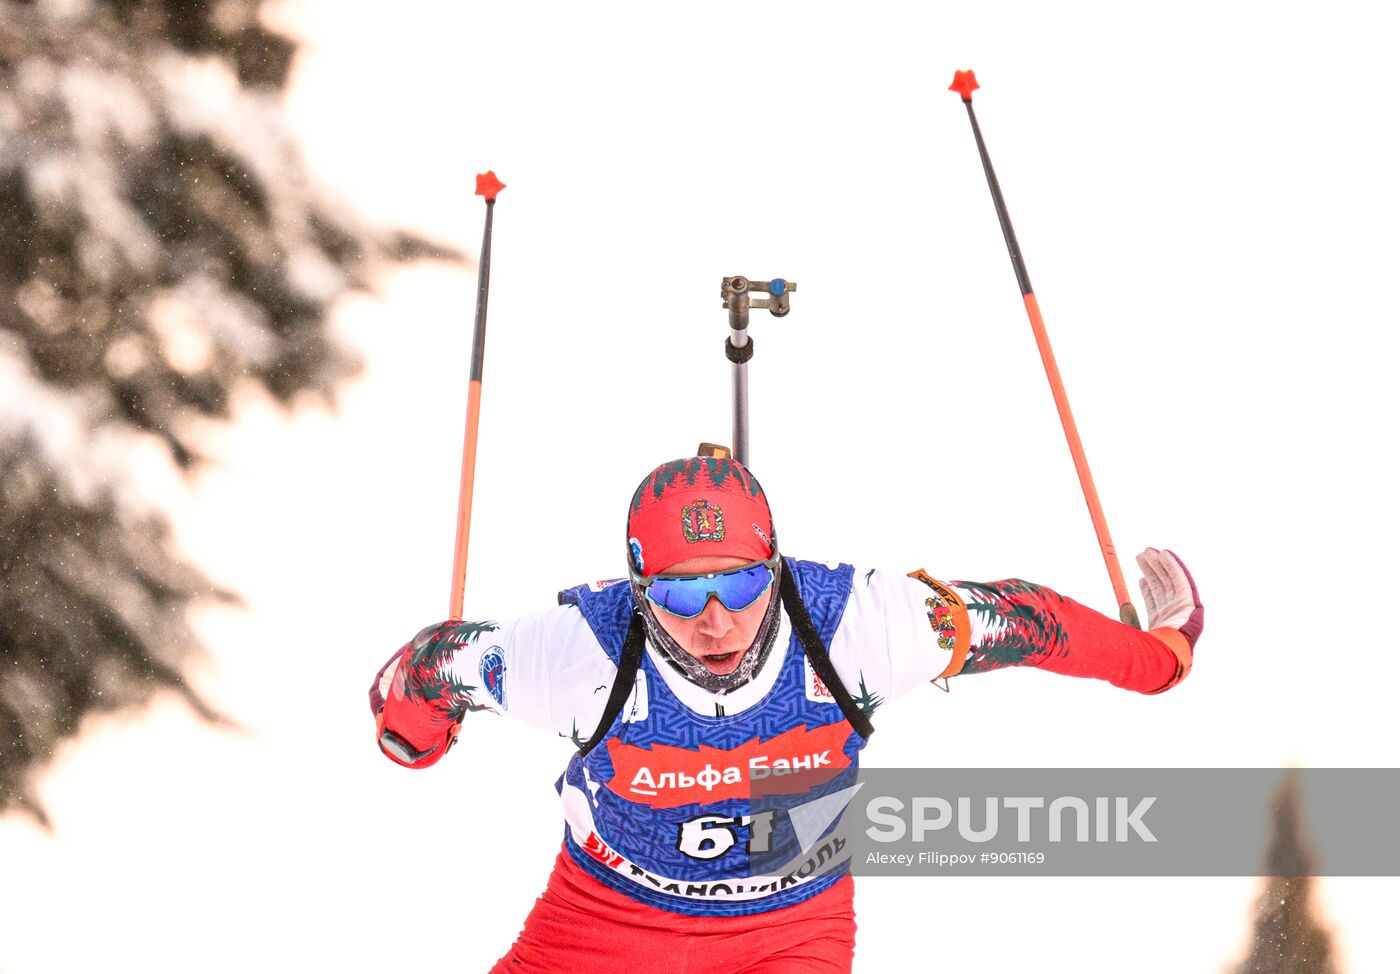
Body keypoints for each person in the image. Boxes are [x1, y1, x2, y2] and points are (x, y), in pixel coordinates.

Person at [369, 452, 1203, 973]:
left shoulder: (859, 629)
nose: (715, 620)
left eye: (739, 584)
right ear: (638, 587)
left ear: (775, 565)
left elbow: (1021, 621)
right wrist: (410, 729)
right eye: (681, 593)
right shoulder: (578, 652)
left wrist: (1157, 660)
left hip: (787, 927)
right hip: (604, 919)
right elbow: (432, 666)